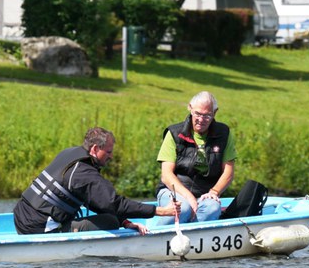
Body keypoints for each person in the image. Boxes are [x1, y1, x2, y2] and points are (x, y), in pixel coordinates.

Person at [13, 127, 179, 235]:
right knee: (110, 221)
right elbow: (114, 204)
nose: (111, 156)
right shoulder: (84, 172)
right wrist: (160, 211)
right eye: (108, 152)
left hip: (21, 218)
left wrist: (125, 221)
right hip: (37, 228)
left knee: (114, 217)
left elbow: (98, 202)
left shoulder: (70, 153)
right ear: (94, 149)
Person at [155, 91, 236, 225]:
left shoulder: (224, 134)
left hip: (205, 193)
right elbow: (166, 175)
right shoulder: (174, 133)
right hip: (173, 190)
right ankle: (157, 237)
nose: (201, 119)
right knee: (184, 208)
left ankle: (193, 237)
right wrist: (189, 197)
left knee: (212, 208)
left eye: (207, 115)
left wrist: (214, 192)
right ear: (190, 108)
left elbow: (228, 172)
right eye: (197, 114)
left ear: (215, 113)